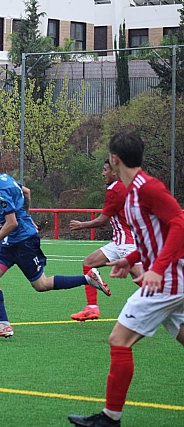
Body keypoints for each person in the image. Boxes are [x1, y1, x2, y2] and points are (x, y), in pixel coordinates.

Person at [68, 131, 184, 427]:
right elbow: (149, 237)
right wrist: (130, 260)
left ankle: (110, 418)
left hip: (167, 280)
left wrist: (156, 269)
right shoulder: (130, 191)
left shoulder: (148, 188)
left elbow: (179, 225)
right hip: (171, 278)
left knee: (119, 339)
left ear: (115, 159)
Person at [0, 149, 111, 338]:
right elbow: (27, 192)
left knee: (41, 284)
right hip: (13, 240)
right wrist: (26, 215)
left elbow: (12, 222)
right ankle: (4, 324)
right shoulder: (6, 179)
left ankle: (88, 279)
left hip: (22, 241)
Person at [68, 159, 142, 321]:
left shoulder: (115, 189)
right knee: (88, 262)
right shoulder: (126, 185)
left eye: (105, 170)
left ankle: (174, 301)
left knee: (144, 280)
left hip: (127, 244)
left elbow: (102, 220)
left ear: (114, 172)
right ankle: (92, 308)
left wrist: (81, 225)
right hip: (120, 242)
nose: (103, 173)